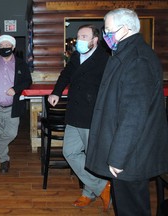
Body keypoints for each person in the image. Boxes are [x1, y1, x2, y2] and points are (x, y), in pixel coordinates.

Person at [85, 8, 168, 216]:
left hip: (132, 155)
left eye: (108, 30)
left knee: (132, 209)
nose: (105, 36)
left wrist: (118, 158)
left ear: (125, 29)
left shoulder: (138, 60)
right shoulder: (126, 53)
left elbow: (134, 116)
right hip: (131, 151)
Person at [47, 24, 111, 211]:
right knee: (70, 152)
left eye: (84, 36)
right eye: (79, 36)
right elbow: (65, 74)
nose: (80, 40)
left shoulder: (104, 60)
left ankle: (88, 194)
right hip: (74, 113)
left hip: (91, 115)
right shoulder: (76, 55)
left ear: (95, 40)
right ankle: (102, 187)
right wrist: (56, 92)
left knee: (91, 158)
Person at [0, 34, 32, 173]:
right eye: (2, 46)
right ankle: (4, 161)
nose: (5, 48)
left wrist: (15, 89)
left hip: (12, 107)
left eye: (7, 45)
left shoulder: (21, 64)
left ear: (13, 47)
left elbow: (27, 81)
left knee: (11, 133)